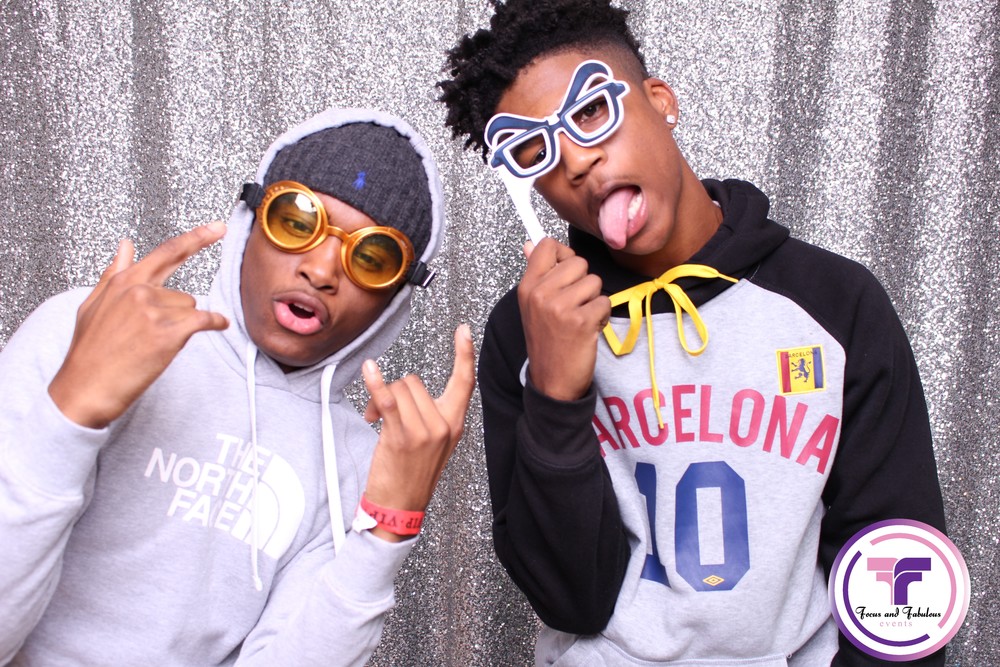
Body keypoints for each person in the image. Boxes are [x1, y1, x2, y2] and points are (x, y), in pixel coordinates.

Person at [439, 1, 946, 665]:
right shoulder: (525, 330)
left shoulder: (835, 302)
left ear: (660, 102)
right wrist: (558, 394)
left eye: (590, 111)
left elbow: (897, 562)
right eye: (536, 151)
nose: (577, 161)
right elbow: (571, 601)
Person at [0, 108, 475, 664]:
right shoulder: (89, 330)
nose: (322, 271)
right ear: (249, 224)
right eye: (296, 221)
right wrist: (71, 411)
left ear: (395, 298)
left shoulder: (360, 461)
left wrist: (389, 527)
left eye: (371, 257)